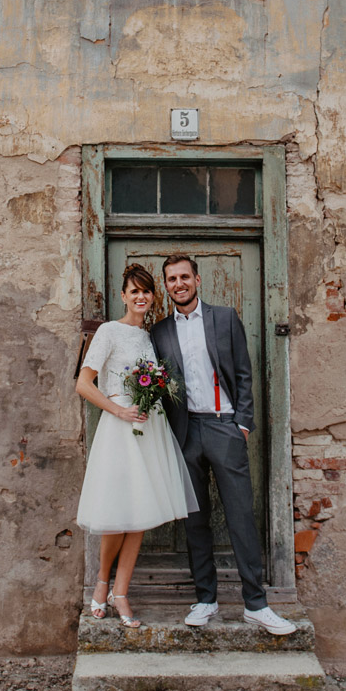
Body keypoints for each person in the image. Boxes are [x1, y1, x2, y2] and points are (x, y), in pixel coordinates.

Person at [151, 254, 297, 635]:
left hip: (223, 427)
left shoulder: (224, 317)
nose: (178, 284)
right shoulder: (161, 331)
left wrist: (242, 425)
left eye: (184, 276)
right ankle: (206, 599)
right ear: (166, 286)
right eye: (171, 279)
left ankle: (256, 604)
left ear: (197, 280)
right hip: (186, 433)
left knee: (240, 516)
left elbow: (244, 373)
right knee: (195, 520)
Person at [75, 263, 199, 628]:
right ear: (124, 295)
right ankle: (101, 584)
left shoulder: (150, 337)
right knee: (117, 512)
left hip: (150, 428)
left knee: (141, 513)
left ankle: (122, 592)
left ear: (152, 296)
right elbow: (83, 384)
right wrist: (118, 409)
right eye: (134, 291)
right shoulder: (109, 332)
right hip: (120, 427)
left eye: (146, 291)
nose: (141, 297)